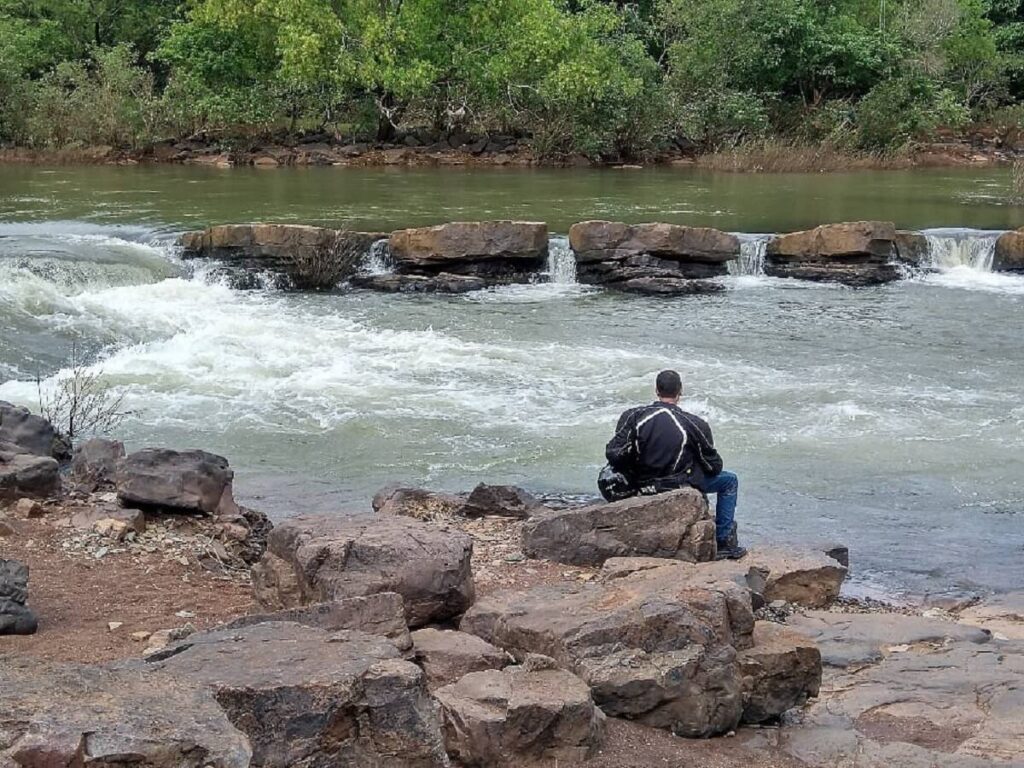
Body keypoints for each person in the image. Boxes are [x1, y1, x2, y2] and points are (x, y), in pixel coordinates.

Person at [603, 369, 747, 560]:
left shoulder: (633, 416)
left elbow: (614, 454)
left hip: (640, 483)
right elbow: (714, 466)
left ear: (656, 390)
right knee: (729, 481)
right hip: (678, 484)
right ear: (680, 392)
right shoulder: (694, 424)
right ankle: (723, 542)